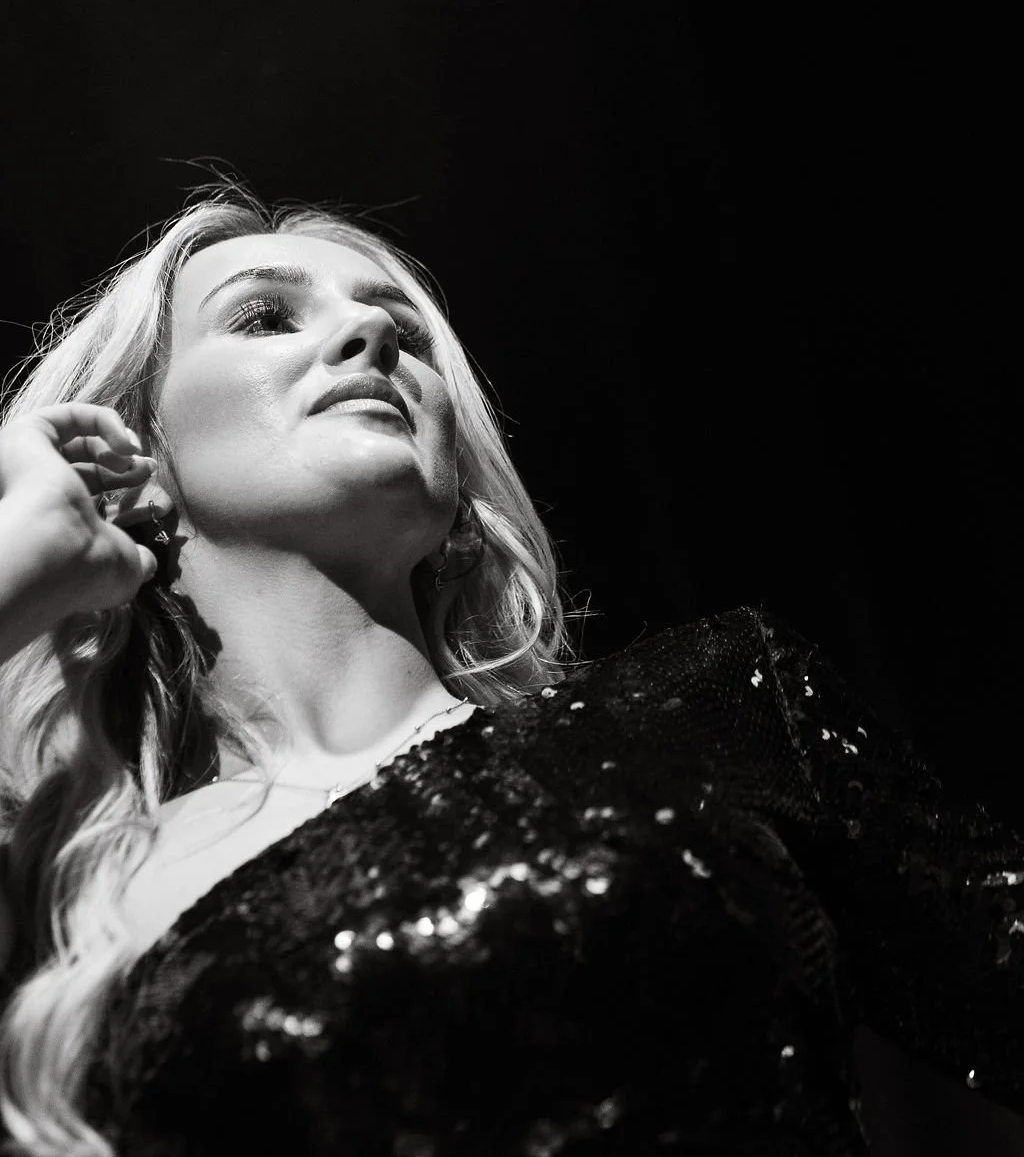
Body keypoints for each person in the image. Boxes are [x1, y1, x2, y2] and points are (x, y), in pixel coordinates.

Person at [0, 179, 1023, 1157]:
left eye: (404, 332)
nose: (371, 340)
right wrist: (21, 559)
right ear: (132, 453)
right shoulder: (68, 908)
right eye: (264, 318)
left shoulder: (713, 706)